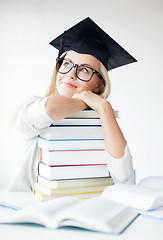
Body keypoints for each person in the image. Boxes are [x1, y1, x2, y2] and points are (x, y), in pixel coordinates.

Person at [7, 17, 137, 191]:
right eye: (66, 63)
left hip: (83, 206)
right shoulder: (33, 106)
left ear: (99, 84)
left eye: (84, 69)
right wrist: (82, 102)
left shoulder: (102, 120)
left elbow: (123, 175)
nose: (70, 74)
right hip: (31, 204)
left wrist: (104, 108)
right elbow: (51, 108)